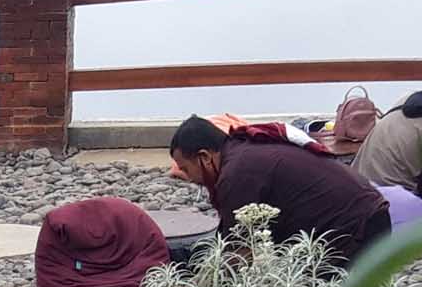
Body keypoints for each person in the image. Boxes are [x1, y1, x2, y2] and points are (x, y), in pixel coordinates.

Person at [168, 114, 391, 272]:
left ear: (205, 157)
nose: (187, 177)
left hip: (355, 228)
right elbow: (227, 238)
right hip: (369, 212)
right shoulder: (243, 150)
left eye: (186, 168)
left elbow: (239, 255)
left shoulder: (237, 174)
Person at [24, 197, 170, 287]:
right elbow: (53, 279)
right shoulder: (57, 229)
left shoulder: (132, 225)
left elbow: (150, 265)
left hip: (112, 280)